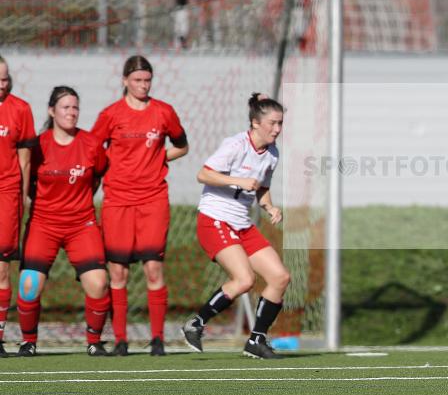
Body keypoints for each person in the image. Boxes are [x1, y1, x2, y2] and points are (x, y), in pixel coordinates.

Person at [91, 56, 188, 356]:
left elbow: (182, 146)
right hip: (117, 200)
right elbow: (92, 151)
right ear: (125, 81)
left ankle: (157, 339)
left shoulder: (164, 112)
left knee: (154, 269)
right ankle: (121, 340)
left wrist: (158, 158)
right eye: (137, 80)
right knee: (118, 273)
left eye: (147, 80)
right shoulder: (110, 115)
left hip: (152, 199)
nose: (143, 85)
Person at [182, 93, 290, 360]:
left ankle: (256, 341)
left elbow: (262, 188)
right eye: (272, 123)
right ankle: (196, 323)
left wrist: (270, 207)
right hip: (215, 219)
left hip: (242, 224)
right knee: (244, 279)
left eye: (280, 123)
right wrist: (240, 181)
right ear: (255, 123)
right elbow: (203, 174)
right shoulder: (235, 145)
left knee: (280, 277)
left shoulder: (272, 154)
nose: (277, 129)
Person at [17, 86, 111, 356]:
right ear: (51, 111)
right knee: (29, 284)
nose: (71, 112)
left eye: (75, 107)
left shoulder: (91, 143)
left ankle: (94, 342)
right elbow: (27, 182)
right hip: (43, 223)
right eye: (65, 107)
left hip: (81, 224)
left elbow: (97, 177)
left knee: (99, 283)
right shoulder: (38, 146)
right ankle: (28, 342)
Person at [0, 57, 37, 357]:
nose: (2, 84)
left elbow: (25, 161)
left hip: (6, 192)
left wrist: (23, 198)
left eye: (4, 79)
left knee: (1, 268)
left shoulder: (20, 109)